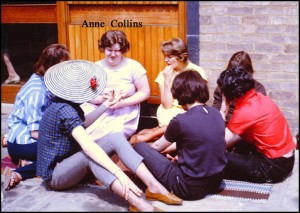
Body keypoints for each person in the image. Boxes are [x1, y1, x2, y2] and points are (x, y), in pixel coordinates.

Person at [34, 60, 182, 212]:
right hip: (56, 176)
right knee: (90, 156)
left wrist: (107, 104)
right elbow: (89, 147)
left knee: (116, 136)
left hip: (68, 164)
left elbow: (82, 123)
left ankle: (153, 187)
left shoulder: (65, 104)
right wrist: (120, 174)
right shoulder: (64, 110)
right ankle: (138, 204)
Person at [134, 70, 227, 200]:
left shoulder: (180, 120)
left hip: (189, 188)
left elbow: (156, 147)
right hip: (216, 182)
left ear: (181, 95)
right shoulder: (216, 114)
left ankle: (148, 183)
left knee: (140, 147)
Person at [3, 44, 71, 190]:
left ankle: (27, 162)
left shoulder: (45, 79)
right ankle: (20, 173)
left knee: (65, 148)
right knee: (65, 151)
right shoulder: (37, 92)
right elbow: (35, 133)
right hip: (22, 142)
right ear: (51, 66)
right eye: (62, 66)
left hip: (29, 136)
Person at [217, 66, 296, 183]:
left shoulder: (245, 110)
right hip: (287, 160)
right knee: (237, 145)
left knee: (214, 156)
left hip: (273, 168)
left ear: (229, 94)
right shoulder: (259, 98)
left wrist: (223, 110)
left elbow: (219, 143)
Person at [130, 38, 207, 144]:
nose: (166, 60)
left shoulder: (196, 71)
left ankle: (153, 134)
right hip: (170, 109)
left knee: (181, 119)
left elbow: (200, 99)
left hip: (188, 108)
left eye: (169, 57)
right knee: (171, 117)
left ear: (181, 56)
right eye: (165, 56)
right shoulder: (164, 74)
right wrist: (167, 81)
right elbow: (167, 105)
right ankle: (161, 132)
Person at [81, 30, 150, 141]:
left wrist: (122, 103)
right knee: (86, 129)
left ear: (122, 50)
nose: (113, 54)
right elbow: (88, 95)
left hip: (125, 108)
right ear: (103, 49)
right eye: (109, 50)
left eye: (117, 50)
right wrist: (103, 99)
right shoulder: (95, 67)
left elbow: (144, 92)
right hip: (99, 107)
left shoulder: (133, 66)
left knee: (115, 132)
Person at [212, 51, 266, 125]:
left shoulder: (258, 89)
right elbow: (216, 110)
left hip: (246, 126)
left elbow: (258, 115)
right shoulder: (222, 87)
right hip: (224, 124)